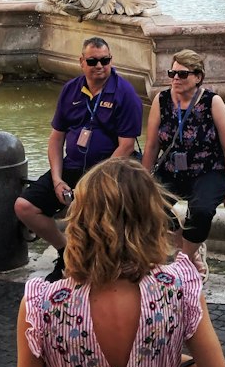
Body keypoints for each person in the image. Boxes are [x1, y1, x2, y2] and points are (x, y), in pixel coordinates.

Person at [16, 158, 225, 367]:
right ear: (152, 219)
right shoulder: (179, 288)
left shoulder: (43, 305)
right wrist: (170, 360)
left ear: (80, 220)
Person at [15, 36, 143, 282]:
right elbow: (56, 138)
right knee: (24, 207)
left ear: (110, 60)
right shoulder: (70, 89)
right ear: (82, 62)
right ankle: (66, 252)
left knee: (92, 215)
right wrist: (56, 180)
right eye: (93, 61)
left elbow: (126, 146)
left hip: (111, 171)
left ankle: (104, 263)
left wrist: (91, 184)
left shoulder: (125, 93)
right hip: (73, 167)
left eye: (105, 60)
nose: (99, 66)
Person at [142, 49, 225, 282]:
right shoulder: (162, 100)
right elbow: (152, 144)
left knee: (202, 209)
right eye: (172, 73)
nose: (176, 78)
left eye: (182, 74)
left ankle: (184, 262)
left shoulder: (212, 102)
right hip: (171, 170)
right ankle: (190, 250)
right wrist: (143, 179)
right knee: (146, 203)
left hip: (207, 171)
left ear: (198, 76)